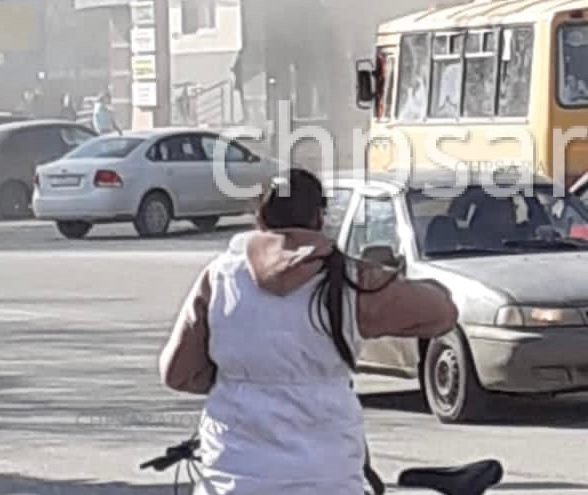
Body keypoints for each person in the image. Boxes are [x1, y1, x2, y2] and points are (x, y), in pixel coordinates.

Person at [158, 169, 459, 495]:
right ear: (319, 218)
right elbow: (442, 314)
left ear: (260, 219)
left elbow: (177, 372)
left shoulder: (220, 276)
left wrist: (240, 381)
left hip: (233, 473)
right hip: (326, 473)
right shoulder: (349, 280)